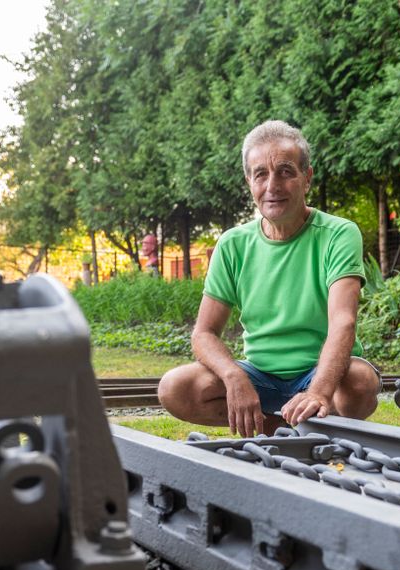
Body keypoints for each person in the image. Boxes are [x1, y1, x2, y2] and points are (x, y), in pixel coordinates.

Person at [157, 120, 381, 437]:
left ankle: (315, 415)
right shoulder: (232, 244)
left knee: (360, 381)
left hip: (322, 371)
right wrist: (234, 377)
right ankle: (283, 430)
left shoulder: (338, 234)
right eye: (260, 174)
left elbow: (343, 321)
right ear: (249, 181)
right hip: (259, 374)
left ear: (307, 178)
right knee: (175, 387)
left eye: (286, 172)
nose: (272, 185)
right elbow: (203, 334)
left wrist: (318, 391)